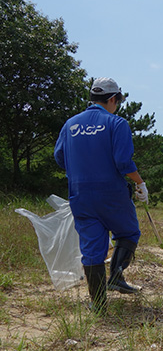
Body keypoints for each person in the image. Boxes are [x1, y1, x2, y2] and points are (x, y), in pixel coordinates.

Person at [54, 77, 148, 313]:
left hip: (80, 195)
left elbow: (59, 158)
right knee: (128, 232)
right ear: (113, 99)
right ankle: (116, 277)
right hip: (111, 194)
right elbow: (124, 162)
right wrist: (140, 183)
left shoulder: (70, 125)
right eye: (118, 101)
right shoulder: (117, 124)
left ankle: (98, 305)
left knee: (92, 250)